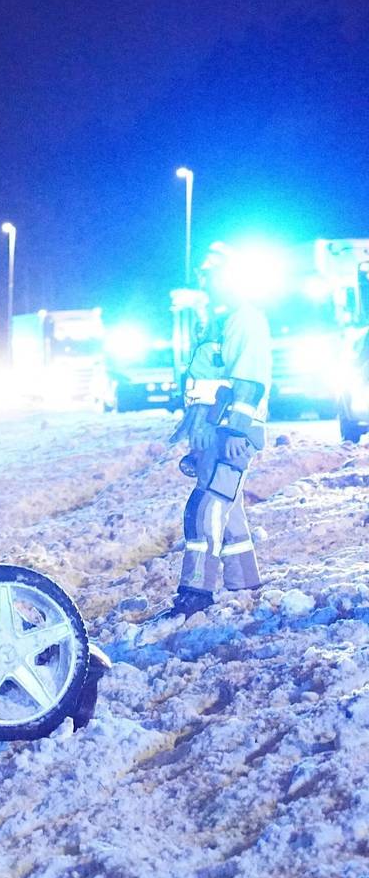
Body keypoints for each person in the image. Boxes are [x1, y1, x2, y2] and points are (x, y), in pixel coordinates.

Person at [159, 243, 272, 619]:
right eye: (203, 273)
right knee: (227, 506)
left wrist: (237, 433)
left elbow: (248, 384)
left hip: (233, 434)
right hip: (214, 432)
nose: (204, 280)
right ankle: (244, 584)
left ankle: (196, 592)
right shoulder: (217, 321)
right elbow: (207, 383)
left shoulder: (244, 319)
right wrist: (195, 424)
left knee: (205, 508)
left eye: (211, 273)